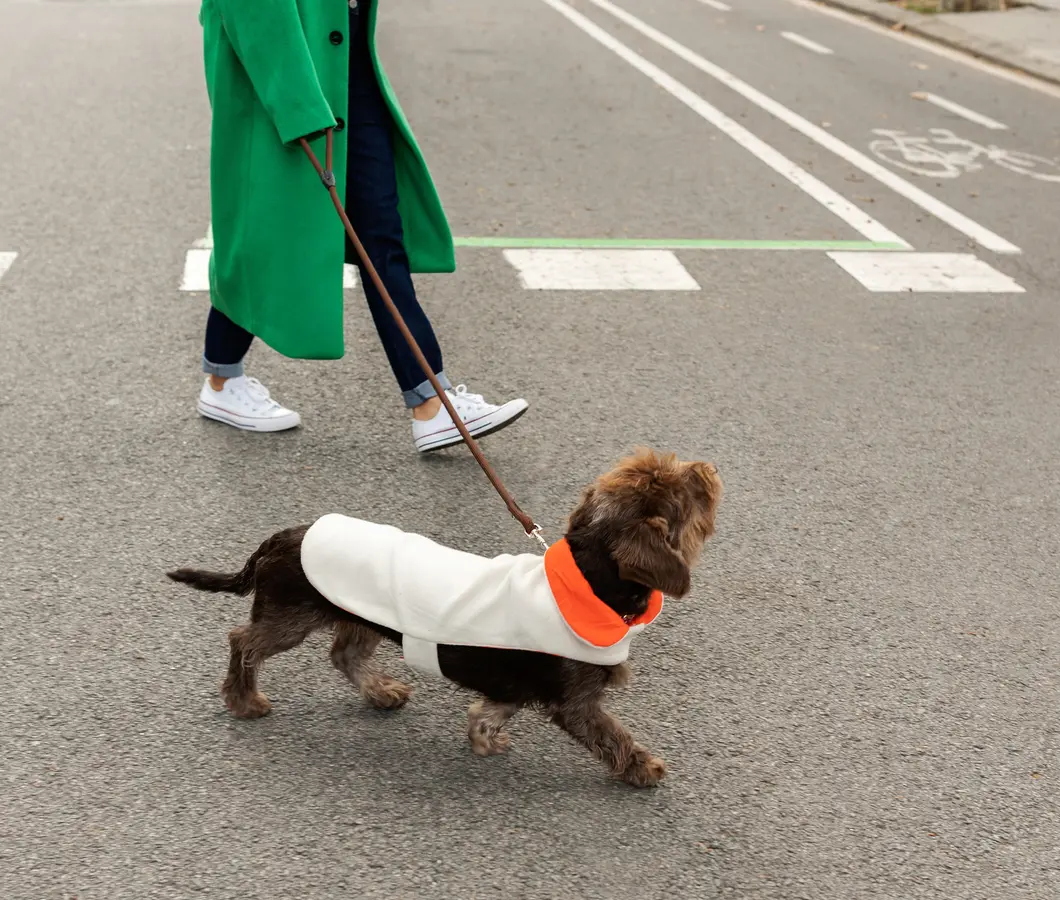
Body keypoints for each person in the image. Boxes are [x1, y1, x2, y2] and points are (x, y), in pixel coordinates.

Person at [195, 0, 527, 451]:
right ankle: (221, 380)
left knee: (379, 232)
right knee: (265, 237)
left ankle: (431, 403)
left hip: (342, 54)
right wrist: (298, 106)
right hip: (286, 66)